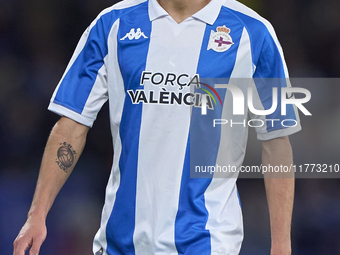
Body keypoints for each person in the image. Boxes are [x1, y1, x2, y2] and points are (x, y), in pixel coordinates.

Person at [13, 0, 301, 254]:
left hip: (208, 242)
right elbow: (72, 124)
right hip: (120, 243)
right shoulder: (112, 24)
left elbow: (276, 143)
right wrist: (37, 213)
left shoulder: (253, 32)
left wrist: (281, 245)